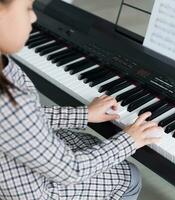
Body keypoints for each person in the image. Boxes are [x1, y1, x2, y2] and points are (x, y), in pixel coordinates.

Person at [0, 0, 162, 199]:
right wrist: (129, 140)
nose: (34, 17)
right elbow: (72, 171)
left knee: (88, 141)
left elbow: (21, 122)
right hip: (37, 191)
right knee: (129, 175)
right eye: (27, 8)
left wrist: (84, 114)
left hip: (15, 168)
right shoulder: (9, 101)